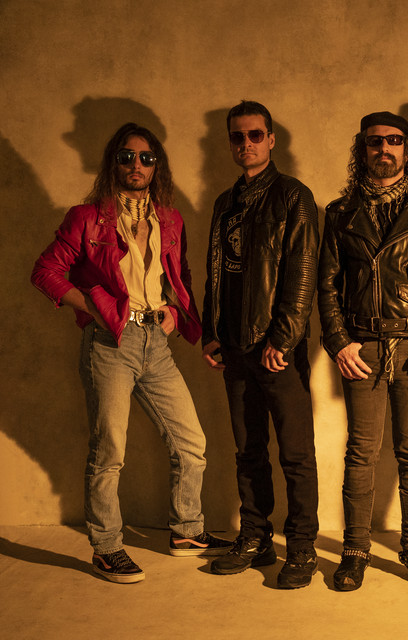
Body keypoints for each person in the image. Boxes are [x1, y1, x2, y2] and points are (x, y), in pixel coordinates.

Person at [31, 122, 231, 584]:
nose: (136, 165)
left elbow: (178, 276)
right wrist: (94, 309)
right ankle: (106, 548)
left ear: (156, 166)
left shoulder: (170, 219)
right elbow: (46, 271)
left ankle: (187, 531)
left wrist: (177, 314)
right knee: (110, 451)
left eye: (145, 158)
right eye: (126, 156)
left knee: (191, 444)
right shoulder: (87, 218)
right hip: (110, 345)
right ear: (113, 163)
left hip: (156, 344)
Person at [318, 111, 408, 591]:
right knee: (360, 452)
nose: (384, 149)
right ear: (362, 149)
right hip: (362, 348)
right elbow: (327, 286)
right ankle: (355, 550)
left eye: (394, 141)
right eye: (375, 142)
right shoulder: (341, 212)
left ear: (407, 149)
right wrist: (339, 342)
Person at [202, 101, 320, 589]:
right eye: (237, 136)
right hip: (234, 347)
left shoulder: (293, 196)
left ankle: (303, 547)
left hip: (276, 349)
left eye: (255, 135)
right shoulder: (224, 203)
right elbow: (215, 271)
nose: (245, 143)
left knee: (295, 453)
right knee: (248, 450)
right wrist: (211, 331)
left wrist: (283, 338)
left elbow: (303, 272)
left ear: (271, 139)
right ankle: (255, 537)